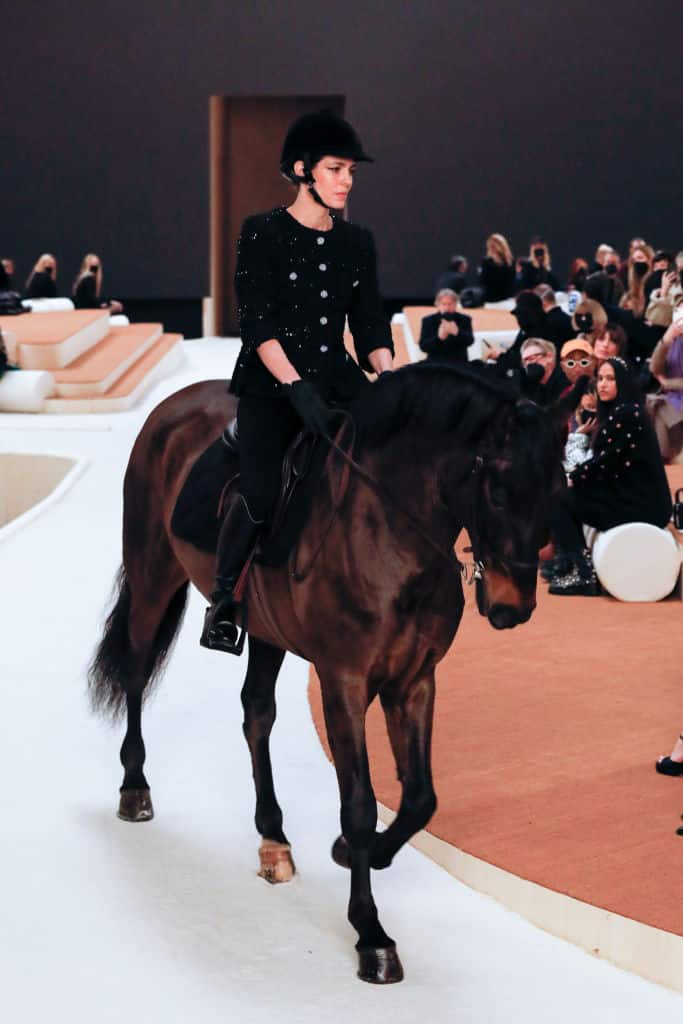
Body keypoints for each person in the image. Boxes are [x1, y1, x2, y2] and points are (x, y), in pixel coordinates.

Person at [200, 109, 394, 654]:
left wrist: (387, 374)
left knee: (396, 460)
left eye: (351, 171)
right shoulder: (261, 232)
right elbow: (257, 322)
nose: (346, 181)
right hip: (271, 383)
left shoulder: (358, 242)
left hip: (337, 376)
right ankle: (223, 601)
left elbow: (370, 322)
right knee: (261, 492)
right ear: (303, 170)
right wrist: (294, 386)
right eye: (336, 169)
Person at [548, 358, 672, 595]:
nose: (603, 385)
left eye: (611, 379)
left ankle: (581, 573)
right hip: (628, 496)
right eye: (601, 379)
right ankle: (571, 564)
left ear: (623, 382)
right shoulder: (620, 412)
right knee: (565, 496)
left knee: (560, 498)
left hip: (641, 505)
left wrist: (575, 476)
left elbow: (607, 461)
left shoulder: (628, 414)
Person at [646, 320, 683, 462]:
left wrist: (669, 383)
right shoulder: (673, 340)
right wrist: (665, 341)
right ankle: (663, 460)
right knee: (656, 405)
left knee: (660, 407)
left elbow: (664, 380)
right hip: (671, 401)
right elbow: (654, 368)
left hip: (674, 403)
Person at [419, 288, 473, 364]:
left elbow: (470, 341)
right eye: (444, 304)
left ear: (455, 304)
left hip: (459, 364)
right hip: (435, 364)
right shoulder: (428, 320)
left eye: (450, 304)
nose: (447, 308)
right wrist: (439, 338)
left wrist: (457, 333)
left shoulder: (465, 319)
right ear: (438, 305)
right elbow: (423, 347)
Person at [519, 338, 568, 405]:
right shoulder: (534, 387)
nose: (529, 364)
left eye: (532, 358)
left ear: (549, 357)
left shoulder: (567, 379)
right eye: (525, 360)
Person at [478, 233, 516, 302]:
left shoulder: (510, 261)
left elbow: (482, 280)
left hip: (502, 298)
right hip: (495, 298)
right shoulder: (487, 261)